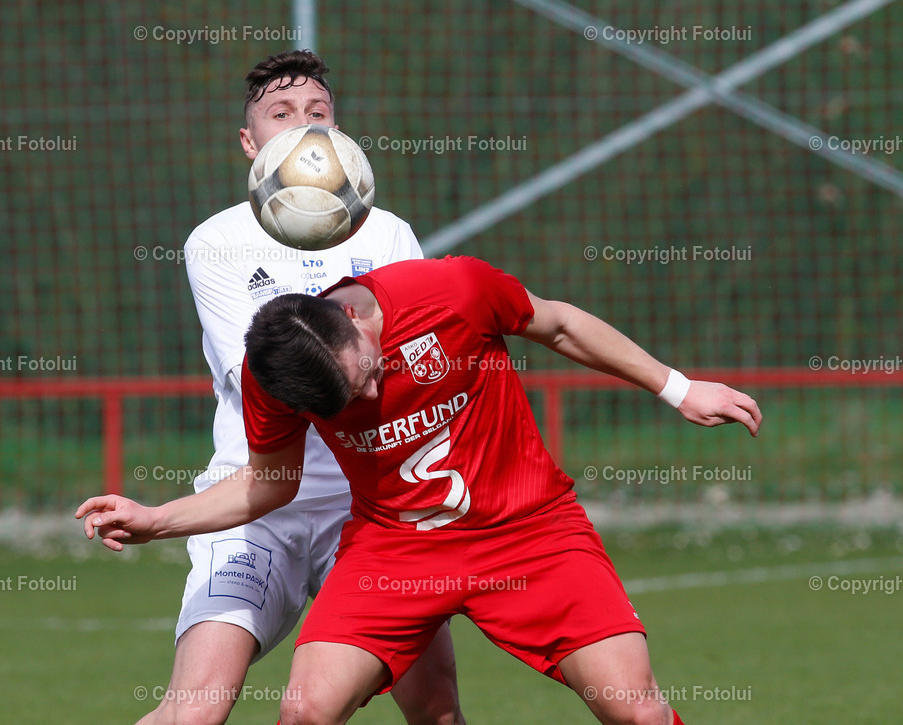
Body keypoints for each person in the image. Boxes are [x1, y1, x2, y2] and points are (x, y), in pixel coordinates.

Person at [78, 255, 762, 725]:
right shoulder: (275, 375)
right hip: (394, 549)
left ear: (351, 316)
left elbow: (557, 323)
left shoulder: (452, 291)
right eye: (349, 400)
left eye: (368, 375)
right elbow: (270, 483)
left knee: (636, 709)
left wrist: (678, 387)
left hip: (529, 533)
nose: (370, 397)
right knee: (305, 710)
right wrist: (157, 519)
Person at [122, 51, 464, 725]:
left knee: (435, 704)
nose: (303, 124)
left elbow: (409, 370)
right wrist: (358, 363)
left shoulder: (389, 234)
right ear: (250, 143)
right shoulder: (215, 242)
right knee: (194, 710)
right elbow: (268, 382)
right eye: (280, 114)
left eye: (318, 112)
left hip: (369, 511)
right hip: (252, 505)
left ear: (339, 134)